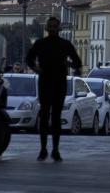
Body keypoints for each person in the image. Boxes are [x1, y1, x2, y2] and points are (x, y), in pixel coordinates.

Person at [26, 16, 82, 162]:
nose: (52, 29)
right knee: (46, 116)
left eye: (54, 26)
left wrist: (36, 68)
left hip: (54, 82)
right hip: (50, 81)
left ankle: (52, 150)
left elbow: (77, 62)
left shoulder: (48, 44)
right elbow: (29, 59)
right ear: (47, 28)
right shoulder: (60, 44)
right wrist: (36, 68)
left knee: (53, 116)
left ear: (58, 28)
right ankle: (46, 149)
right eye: (50, 26)